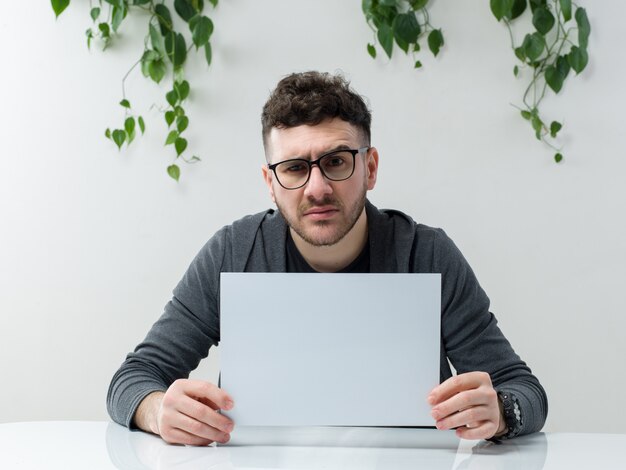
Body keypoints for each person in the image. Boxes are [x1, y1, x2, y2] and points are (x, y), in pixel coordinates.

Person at [107, 71, 548, 446]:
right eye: (295, 168)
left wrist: (503, 411)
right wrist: (157, 410)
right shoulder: (232, 252)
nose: (317, 188)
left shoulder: (427, 253)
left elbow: (525, 390)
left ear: (370, 168)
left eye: (336, 161)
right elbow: (134, 377)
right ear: (270, 182)